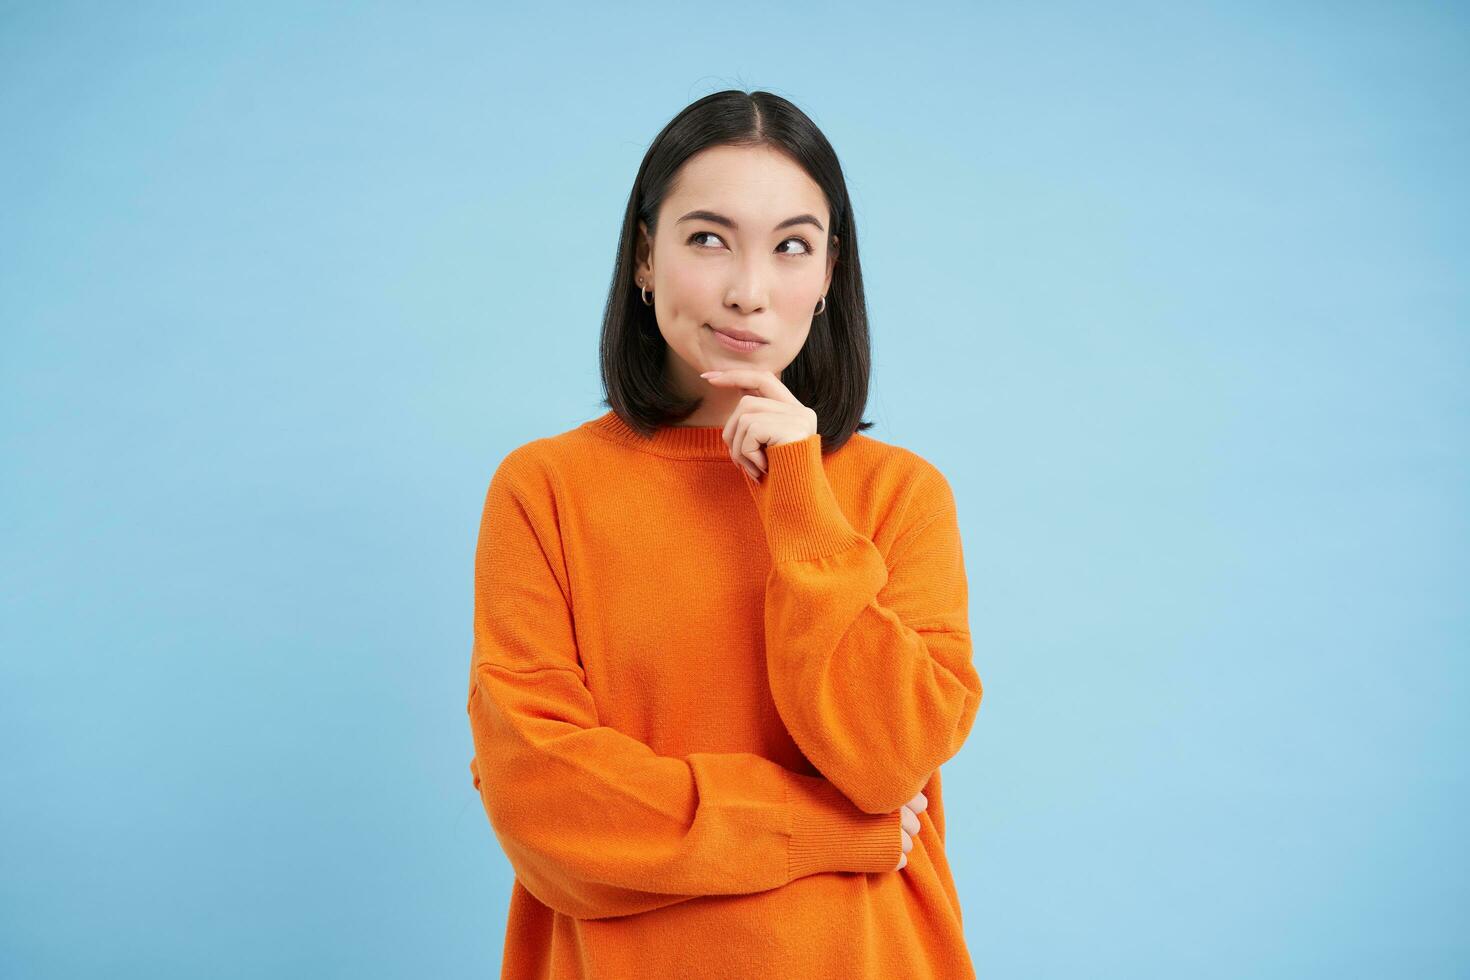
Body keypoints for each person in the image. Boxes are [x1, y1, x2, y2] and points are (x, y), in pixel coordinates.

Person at [466, 89, 984, 979]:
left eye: (792, 246)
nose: (749, 291)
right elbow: (542, 797)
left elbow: (891, 758)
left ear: (827, 278)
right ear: (643, 257)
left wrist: (800, 496)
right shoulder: (545, 490)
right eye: (708, 239)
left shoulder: (900, 495)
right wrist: (820, 829)